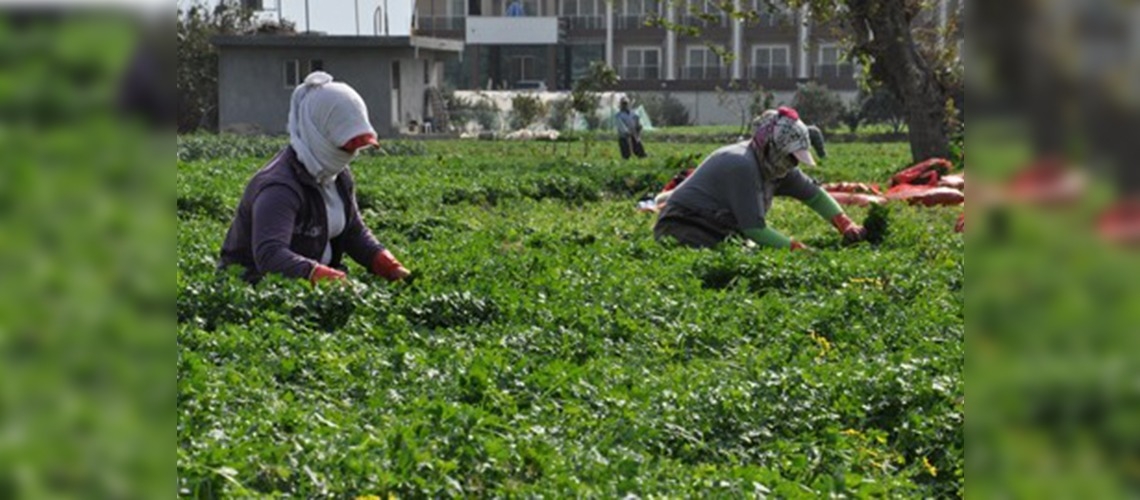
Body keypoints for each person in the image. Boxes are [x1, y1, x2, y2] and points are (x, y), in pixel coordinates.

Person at [218, 71, 411, 285]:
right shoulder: (279, 188)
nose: (350, 154)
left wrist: (388, 265)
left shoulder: (337, 177)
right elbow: (270, 255)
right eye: (345, 145)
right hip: (259, 289)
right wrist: (325, 277)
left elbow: (353, 232)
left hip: (316, 287)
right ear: (320, 132)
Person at [654, 106, 866, 250]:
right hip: (684, 224)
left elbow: (815, 196)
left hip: (718, 227)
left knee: (745, 252)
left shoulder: (778, 168)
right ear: (771, 147)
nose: (793, 163)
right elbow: (755, 230)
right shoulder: (741, 164)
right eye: (790, 157)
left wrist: (845, 224)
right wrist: (797, 250)